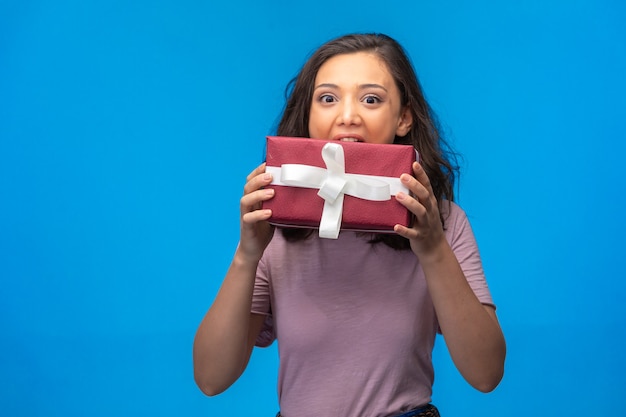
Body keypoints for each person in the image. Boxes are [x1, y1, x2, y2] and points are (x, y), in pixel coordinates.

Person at [193, 33, 506, 417]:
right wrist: (247, 254)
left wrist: (434, 249)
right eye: (327, 98)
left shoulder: (443, 223)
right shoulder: (274, 229)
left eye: (371, 99)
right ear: (308, 116)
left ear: (404, 118)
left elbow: (486, 374)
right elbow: (211, 378)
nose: (347, 116)